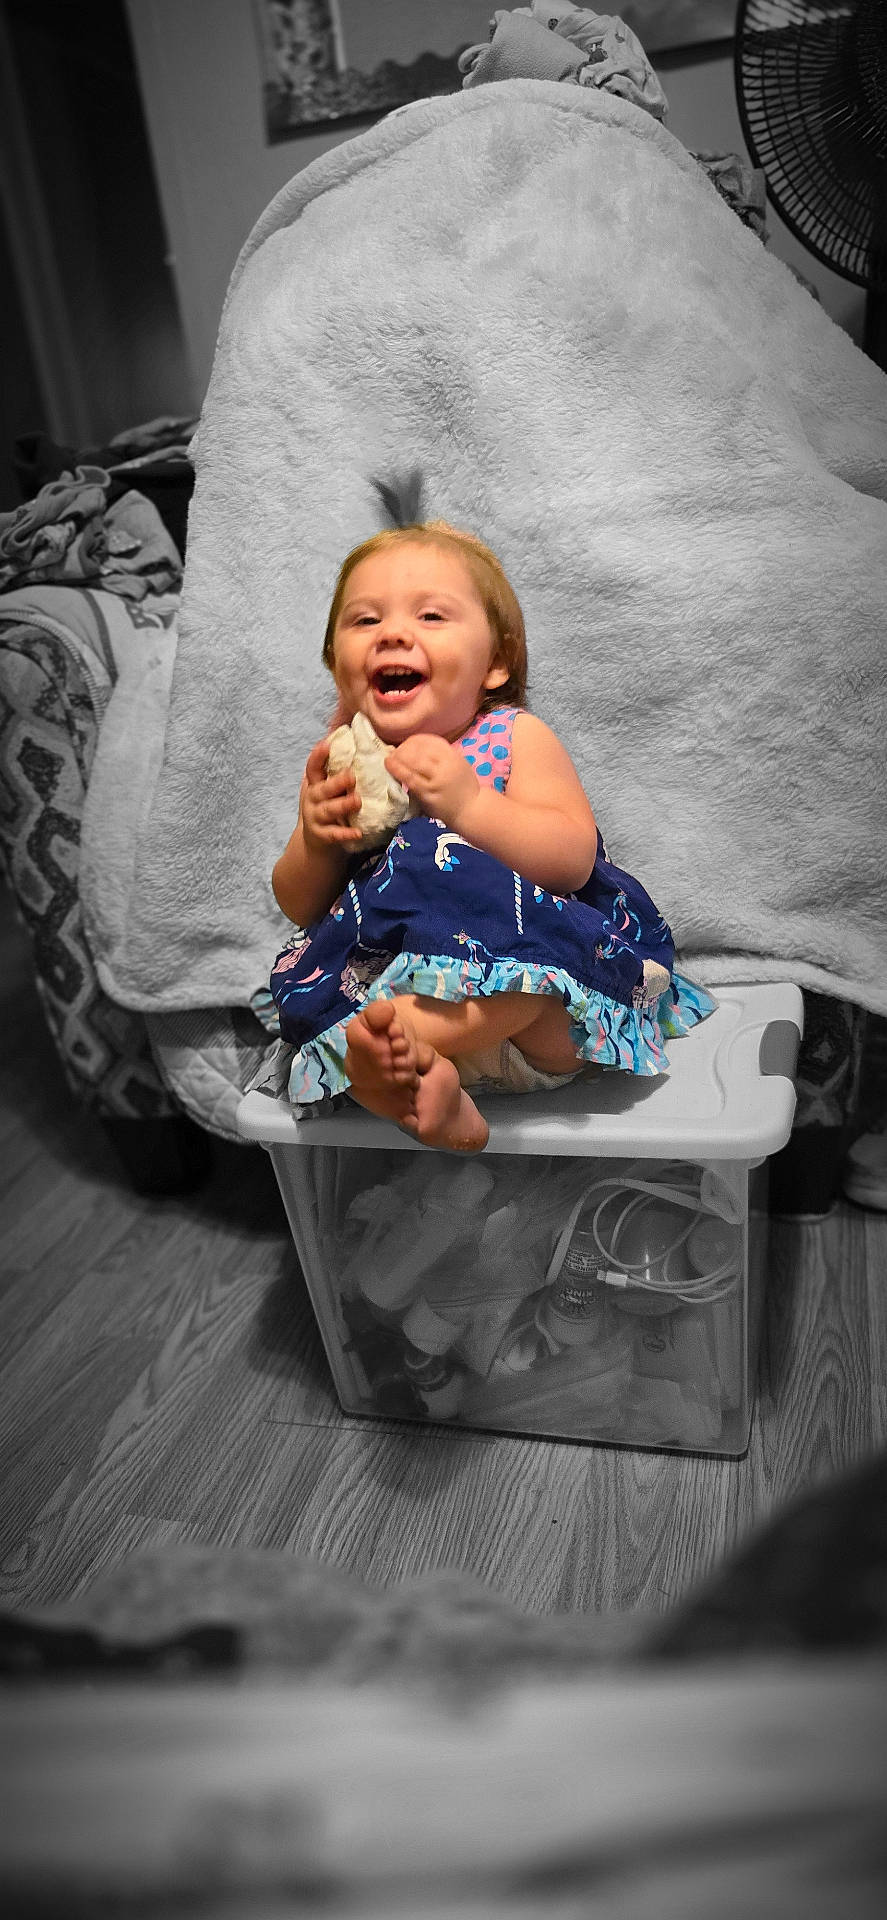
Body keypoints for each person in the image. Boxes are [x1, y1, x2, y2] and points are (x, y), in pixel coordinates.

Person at [269, 520, 714, 1152]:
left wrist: (470, 804)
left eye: (430, 615)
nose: (392, 632)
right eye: (365, 620)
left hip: (534, 1010)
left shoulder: (511, 737)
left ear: (495, 664)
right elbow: (301, 905)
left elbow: (571, 860)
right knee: (357, 1018)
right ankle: (425, 1093)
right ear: (336, 665)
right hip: (396, 1004)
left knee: (519, 985)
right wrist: (316, 841)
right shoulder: (341, 765)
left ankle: (386, 1056)